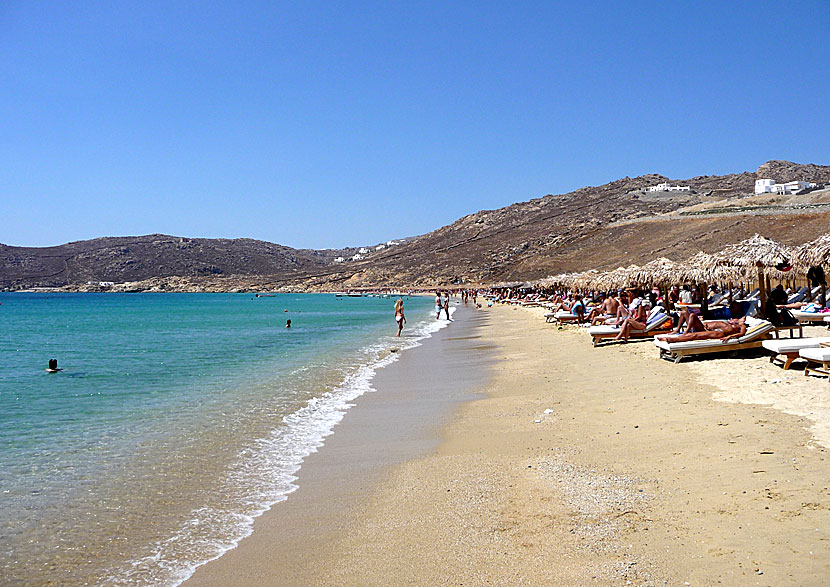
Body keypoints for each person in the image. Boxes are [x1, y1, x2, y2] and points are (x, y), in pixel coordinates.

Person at [656, 316, 747, 343]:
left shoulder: (742, 325)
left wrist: (729, 337)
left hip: (720, 333)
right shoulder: (734, 320)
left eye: (744, 317)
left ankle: (672, 339)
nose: (743, 317)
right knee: (687, 314)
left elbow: (742, 334)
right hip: (712, 330)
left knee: (695, 336)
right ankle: (677, 333)